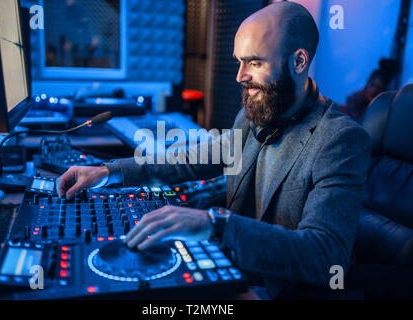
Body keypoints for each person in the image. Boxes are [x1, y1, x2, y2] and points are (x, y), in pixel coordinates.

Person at [59, 2, 372, 299]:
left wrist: (216, 224)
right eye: (239, 61)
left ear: (299, 61)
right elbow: (191, 159)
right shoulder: (256, 115)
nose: (240, 76)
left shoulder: (340, 139)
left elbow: (325, 256)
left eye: (255, 62)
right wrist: (108, 172)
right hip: (236, 270)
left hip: (282, 290)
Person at [340, 58, 399, 123]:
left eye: (378, 88)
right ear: (367, 83)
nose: (373, 90)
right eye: (372, 85)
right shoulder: (353, 100)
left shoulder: (380, 108)